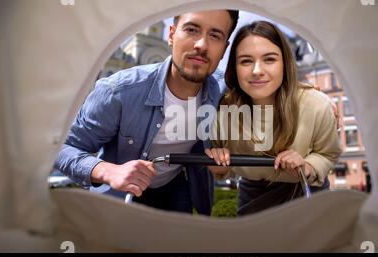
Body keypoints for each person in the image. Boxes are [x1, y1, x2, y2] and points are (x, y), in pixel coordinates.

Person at [56, 10, 239, 215]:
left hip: (175, 184)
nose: (201, 45)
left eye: (215, 36)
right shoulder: (118, 91)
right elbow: (64, 147)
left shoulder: (225, 90)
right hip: (121, 192)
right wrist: (110, 171)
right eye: (191, 29)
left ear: (224, 49)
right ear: (171, 34)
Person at [206, 21, 341, 216]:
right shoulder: (224, 109)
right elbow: (223, 163)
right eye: (245, 61)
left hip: (304, 194)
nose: (256, 70)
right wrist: (218, 168)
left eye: (269, 59)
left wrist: (307, 166)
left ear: (285, 64)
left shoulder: (317, 105)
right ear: (234, 68)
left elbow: (328, 154)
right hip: (252, 197)